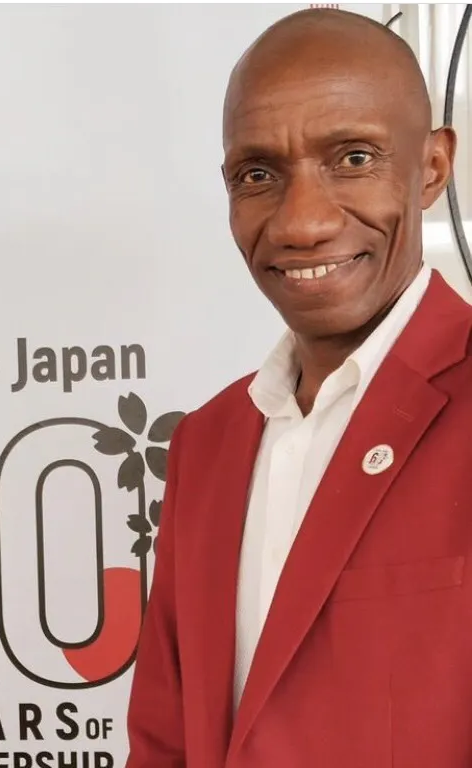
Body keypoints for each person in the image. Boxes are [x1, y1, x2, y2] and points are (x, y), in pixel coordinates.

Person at [124, 7, 468, 767]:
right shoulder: (206, 443)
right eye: (258, 175)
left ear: (433, 168)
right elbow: (164, 739)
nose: (301, 222)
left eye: (353, 158)